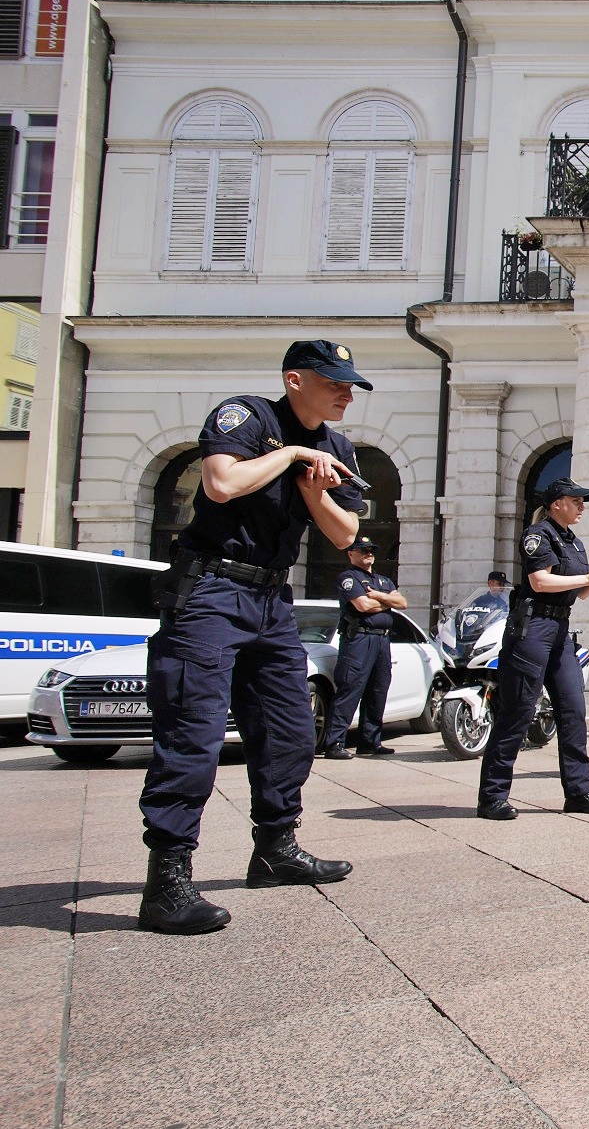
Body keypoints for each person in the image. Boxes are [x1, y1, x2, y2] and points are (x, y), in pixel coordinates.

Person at [136, 340, 370, 935]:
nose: (346, 393)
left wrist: (313, 489)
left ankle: (274, 849)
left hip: (271, 599)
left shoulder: (337, 448)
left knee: (291, 729)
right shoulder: (246, 416)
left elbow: (346, 534)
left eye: (350, 384)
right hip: (211, 589)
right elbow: (220, 483)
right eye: (334, 382)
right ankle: (166, 880)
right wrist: (290, 453)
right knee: (193, 732)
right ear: (295, 380)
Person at [477, 479, 589, 820]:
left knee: (573, 710)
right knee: (518, 711)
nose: (582, 506)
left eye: (583, 502)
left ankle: (579, 792)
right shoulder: (538, 535)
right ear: (556, 504)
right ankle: (492, 797)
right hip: (532, 629)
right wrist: (586, 579)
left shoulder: (574, 541)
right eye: (576, 500)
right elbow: (540, 581)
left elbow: (577, 592)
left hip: (559, 630)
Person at [319, 534, 403, 759]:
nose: (369, 554)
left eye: (371, 550)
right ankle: (334, 743)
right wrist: (387, 602)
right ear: (351, 554)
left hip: (382, 640)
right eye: (363, 550)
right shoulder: (348, 578)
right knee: (350, 689)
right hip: (359, 640)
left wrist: (378, 596)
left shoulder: (383, 581)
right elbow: (363, 606)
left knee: (378, 691)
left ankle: (370, 742)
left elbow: (403, 603)